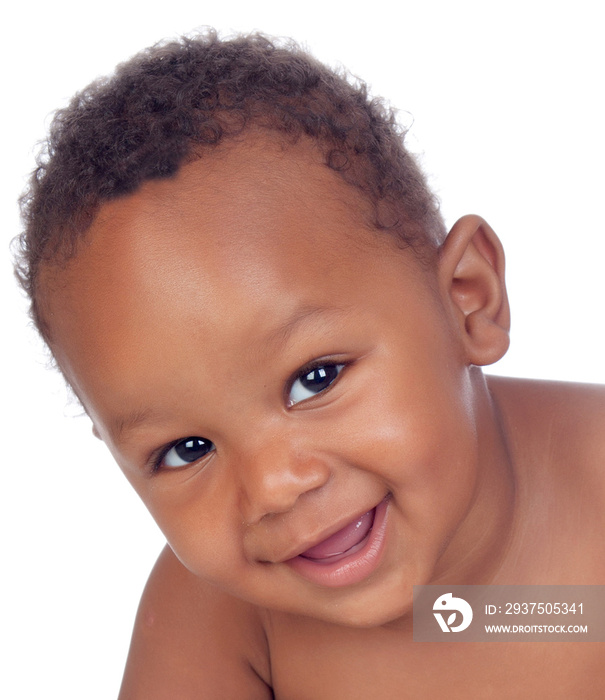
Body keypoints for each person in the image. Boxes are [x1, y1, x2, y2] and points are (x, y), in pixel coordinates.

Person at [14, 30, 605, 698]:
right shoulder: (220, 615)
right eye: (187, 448)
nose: (272, 486)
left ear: (467, 301)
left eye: (314, 379)